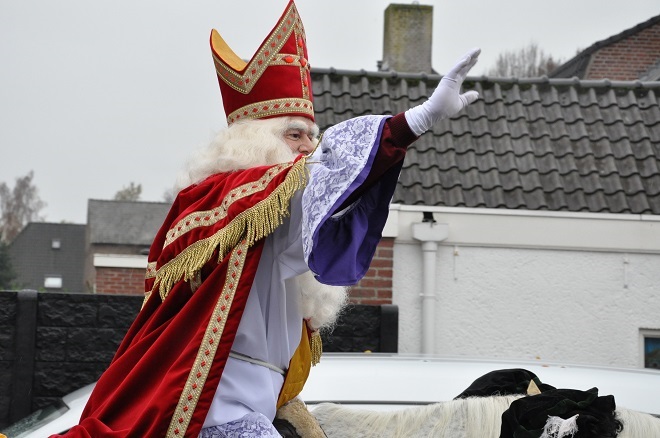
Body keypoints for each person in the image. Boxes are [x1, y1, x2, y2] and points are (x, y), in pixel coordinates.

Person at [53, 1, 480, 437]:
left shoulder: (274, 212)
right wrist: (416, 120)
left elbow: (333, 198)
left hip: (259, 409)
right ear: (250, 144)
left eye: (312, 137)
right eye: (294, 135)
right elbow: (323, 177)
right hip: (213, 415)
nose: (307, 148)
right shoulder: (223, 199)